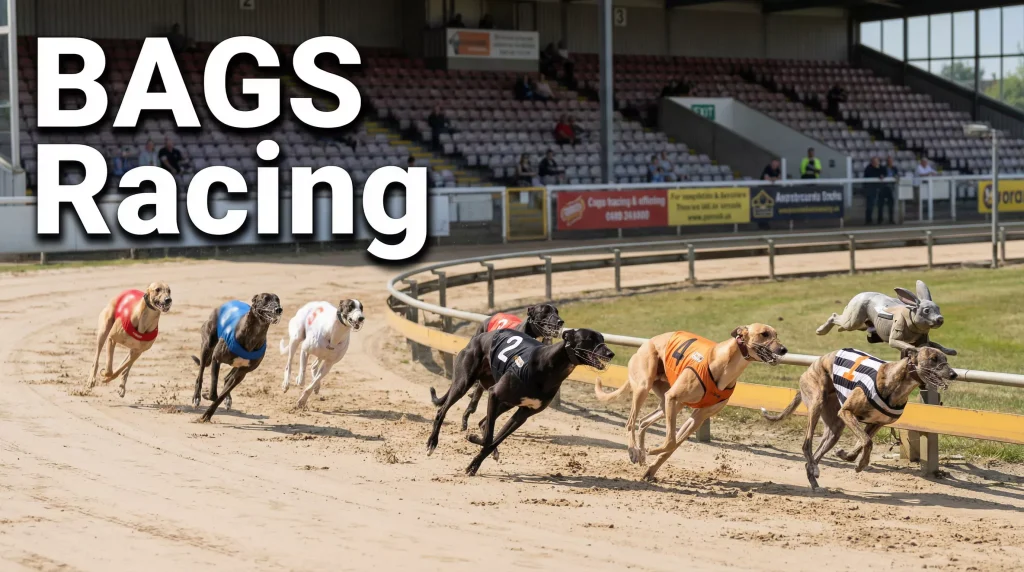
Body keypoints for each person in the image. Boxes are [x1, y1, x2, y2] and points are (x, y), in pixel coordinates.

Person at [863, 156, 886, 225]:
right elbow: (871, 175)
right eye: (875, 161)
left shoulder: (881, 167)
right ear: (872, 162)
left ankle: (880, 220)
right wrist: (879, 175)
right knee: (870, 205)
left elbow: (884, 173)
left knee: (880, 205)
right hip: (870, 189)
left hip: (880, 189)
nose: (876, 163)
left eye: (877, 161)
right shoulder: (868, 168)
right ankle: (868, 220)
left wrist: (882, 175)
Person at [879, 156, 898, 224]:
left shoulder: (894, 168)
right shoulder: (883, 168)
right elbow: (880, 175)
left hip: (891, 189)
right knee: (881, 205)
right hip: (883, 188)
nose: (890, 162)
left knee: (891, 205)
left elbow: (897, 175)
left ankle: (891, 219)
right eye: (889, 161)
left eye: (891, 161)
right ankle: (880, 220)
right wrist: (881, 176)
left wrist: (896, 177)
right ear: (887, 162)